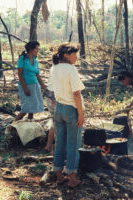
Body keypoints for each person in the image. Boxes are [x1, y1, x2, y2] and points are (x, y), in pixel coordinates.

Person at [50, 43, 85, 187]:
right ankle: (72, 178)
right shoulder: (71, 70)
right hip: (71, 109)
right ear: (66, 55)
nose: (76, 57)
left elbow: (51, 90)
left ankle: (59, 175)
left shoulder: (54, 68)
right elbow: (76, 93)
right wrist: (80, 114)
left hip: (59, 108)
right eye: (74, 54)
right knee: (73, 144)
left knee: (60, 143)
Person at [15, 41, 46, 121]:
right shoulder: (23, 58)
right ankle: (11, 127)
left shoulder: (35, 61)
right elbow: (20, 74)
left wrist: (43, 86)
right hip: (25, 86)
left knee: (32, 109)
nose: (37, 50)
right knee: (25, 109)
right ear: (30, 49)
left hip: (35, 86)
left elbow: (37, 75)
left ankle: (29, 128)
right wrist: (25, 88)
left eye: (37, 48)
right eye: (36, 48)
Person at [43, 66, 56, 152]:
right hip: (52, 96)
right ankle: (49, 146)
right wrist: (55, 98)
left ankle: (49, 146)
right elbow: (55, 84)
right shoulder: (57, 68)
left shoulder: (54, 67)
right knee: (55, 121)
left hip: (50, 95)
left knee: (54, 121)